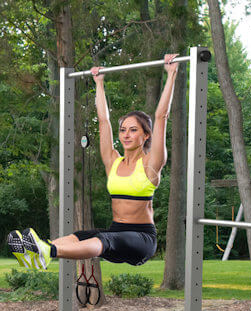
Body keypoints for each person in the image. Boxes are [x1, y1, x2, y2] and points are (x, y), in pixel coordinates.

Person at [7, 54, 179, 270]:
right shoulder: (113, 161)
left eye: (133, 130)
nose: (126, 135)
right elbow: (104, 122)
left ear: (146, 136)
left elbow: (161, 116)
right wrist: (99, 83)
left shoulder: (150, 164)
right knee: (79, 236)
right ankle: (37, 253)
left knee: (104, 240)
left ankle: (47, 251)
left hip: (141, 239)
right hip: (116, 232)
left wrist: (171, 73)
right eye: (123, 130)